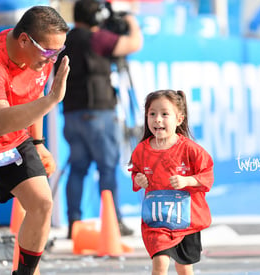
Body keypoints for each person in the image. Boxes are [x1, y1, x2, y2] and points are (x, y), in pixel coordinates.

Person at [0, 6, 70, 275]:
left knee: (42, 203)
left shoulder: (39, 57)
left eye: (59, 52)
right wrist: (51, 101)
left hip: (13, 140)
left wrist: (38, 142)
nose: (53, 59)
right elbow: (0, 122)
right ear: (23, 40)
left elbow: (32, 100)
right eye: (48, 52)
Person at [55, 0, 143, 238]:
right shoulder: (98, 38)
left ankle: (74, 223)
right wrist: (129, 19)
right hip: (99, 113)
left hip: (71, 114)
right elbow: (135, 43)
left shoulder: (65, 41)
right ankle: (113, 222)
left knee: (77, 169)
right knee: (106, 169)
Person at [129, 90, 214, 275]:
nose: (157, 119)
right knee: (159, 265)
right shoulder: (141, 151)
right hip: (157, 221)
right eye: (152, 114)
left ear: (179, 119)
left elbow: (207, 175)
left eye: (164, 114)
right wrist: (138, 178)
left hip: (185, 221)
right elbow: (135, 171)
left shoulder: (192, 150)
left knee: (184, 269)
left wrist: (187, 180)